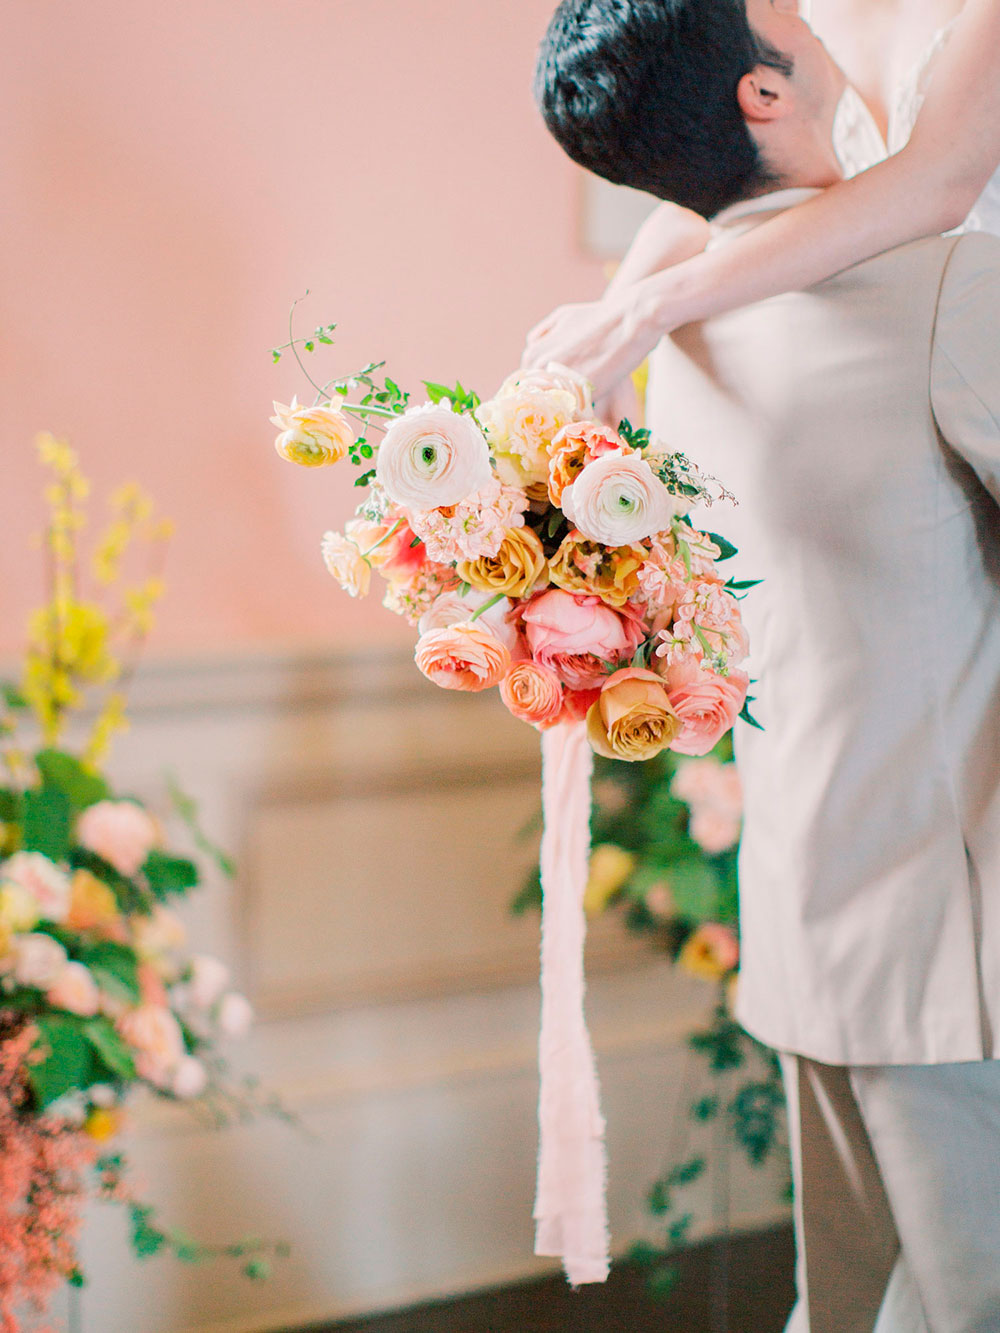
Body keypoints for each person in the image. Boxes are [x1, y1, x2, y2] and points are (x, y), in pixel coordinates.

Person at [532, 3, 1000, 1331]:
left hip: (810, 915)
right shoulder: (949, 296)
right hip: (958, 943)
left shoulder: (675, 343)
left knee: (853, 1306)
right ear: (760, 94)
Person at [524, 0, 1000, 419]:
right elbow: (722, 180)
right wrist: (607, 330)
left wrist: (644, 311)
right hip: (896, 374)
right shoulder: (784, 19)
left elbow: (941, 178)